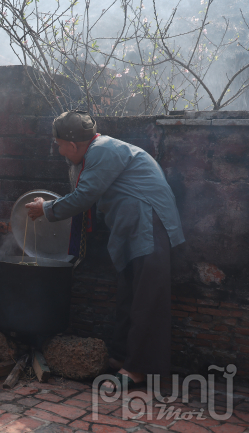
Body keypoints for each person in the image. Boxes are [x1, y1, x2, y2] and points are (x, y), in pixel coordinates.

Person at [25, 110, 185, 389]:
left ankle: (137, 369)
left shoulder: (101, 151)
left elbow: (84, 197)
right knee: (127, 297)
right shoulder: (91, 156)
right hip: (131, 229)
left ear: (73, 145)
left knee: (147, 300)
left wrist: (46, 210)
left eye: (59, 144)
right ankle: (122, 358)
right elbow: (82, 192)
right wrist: (48, 205)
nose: (58, 150)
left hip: (149, 224)